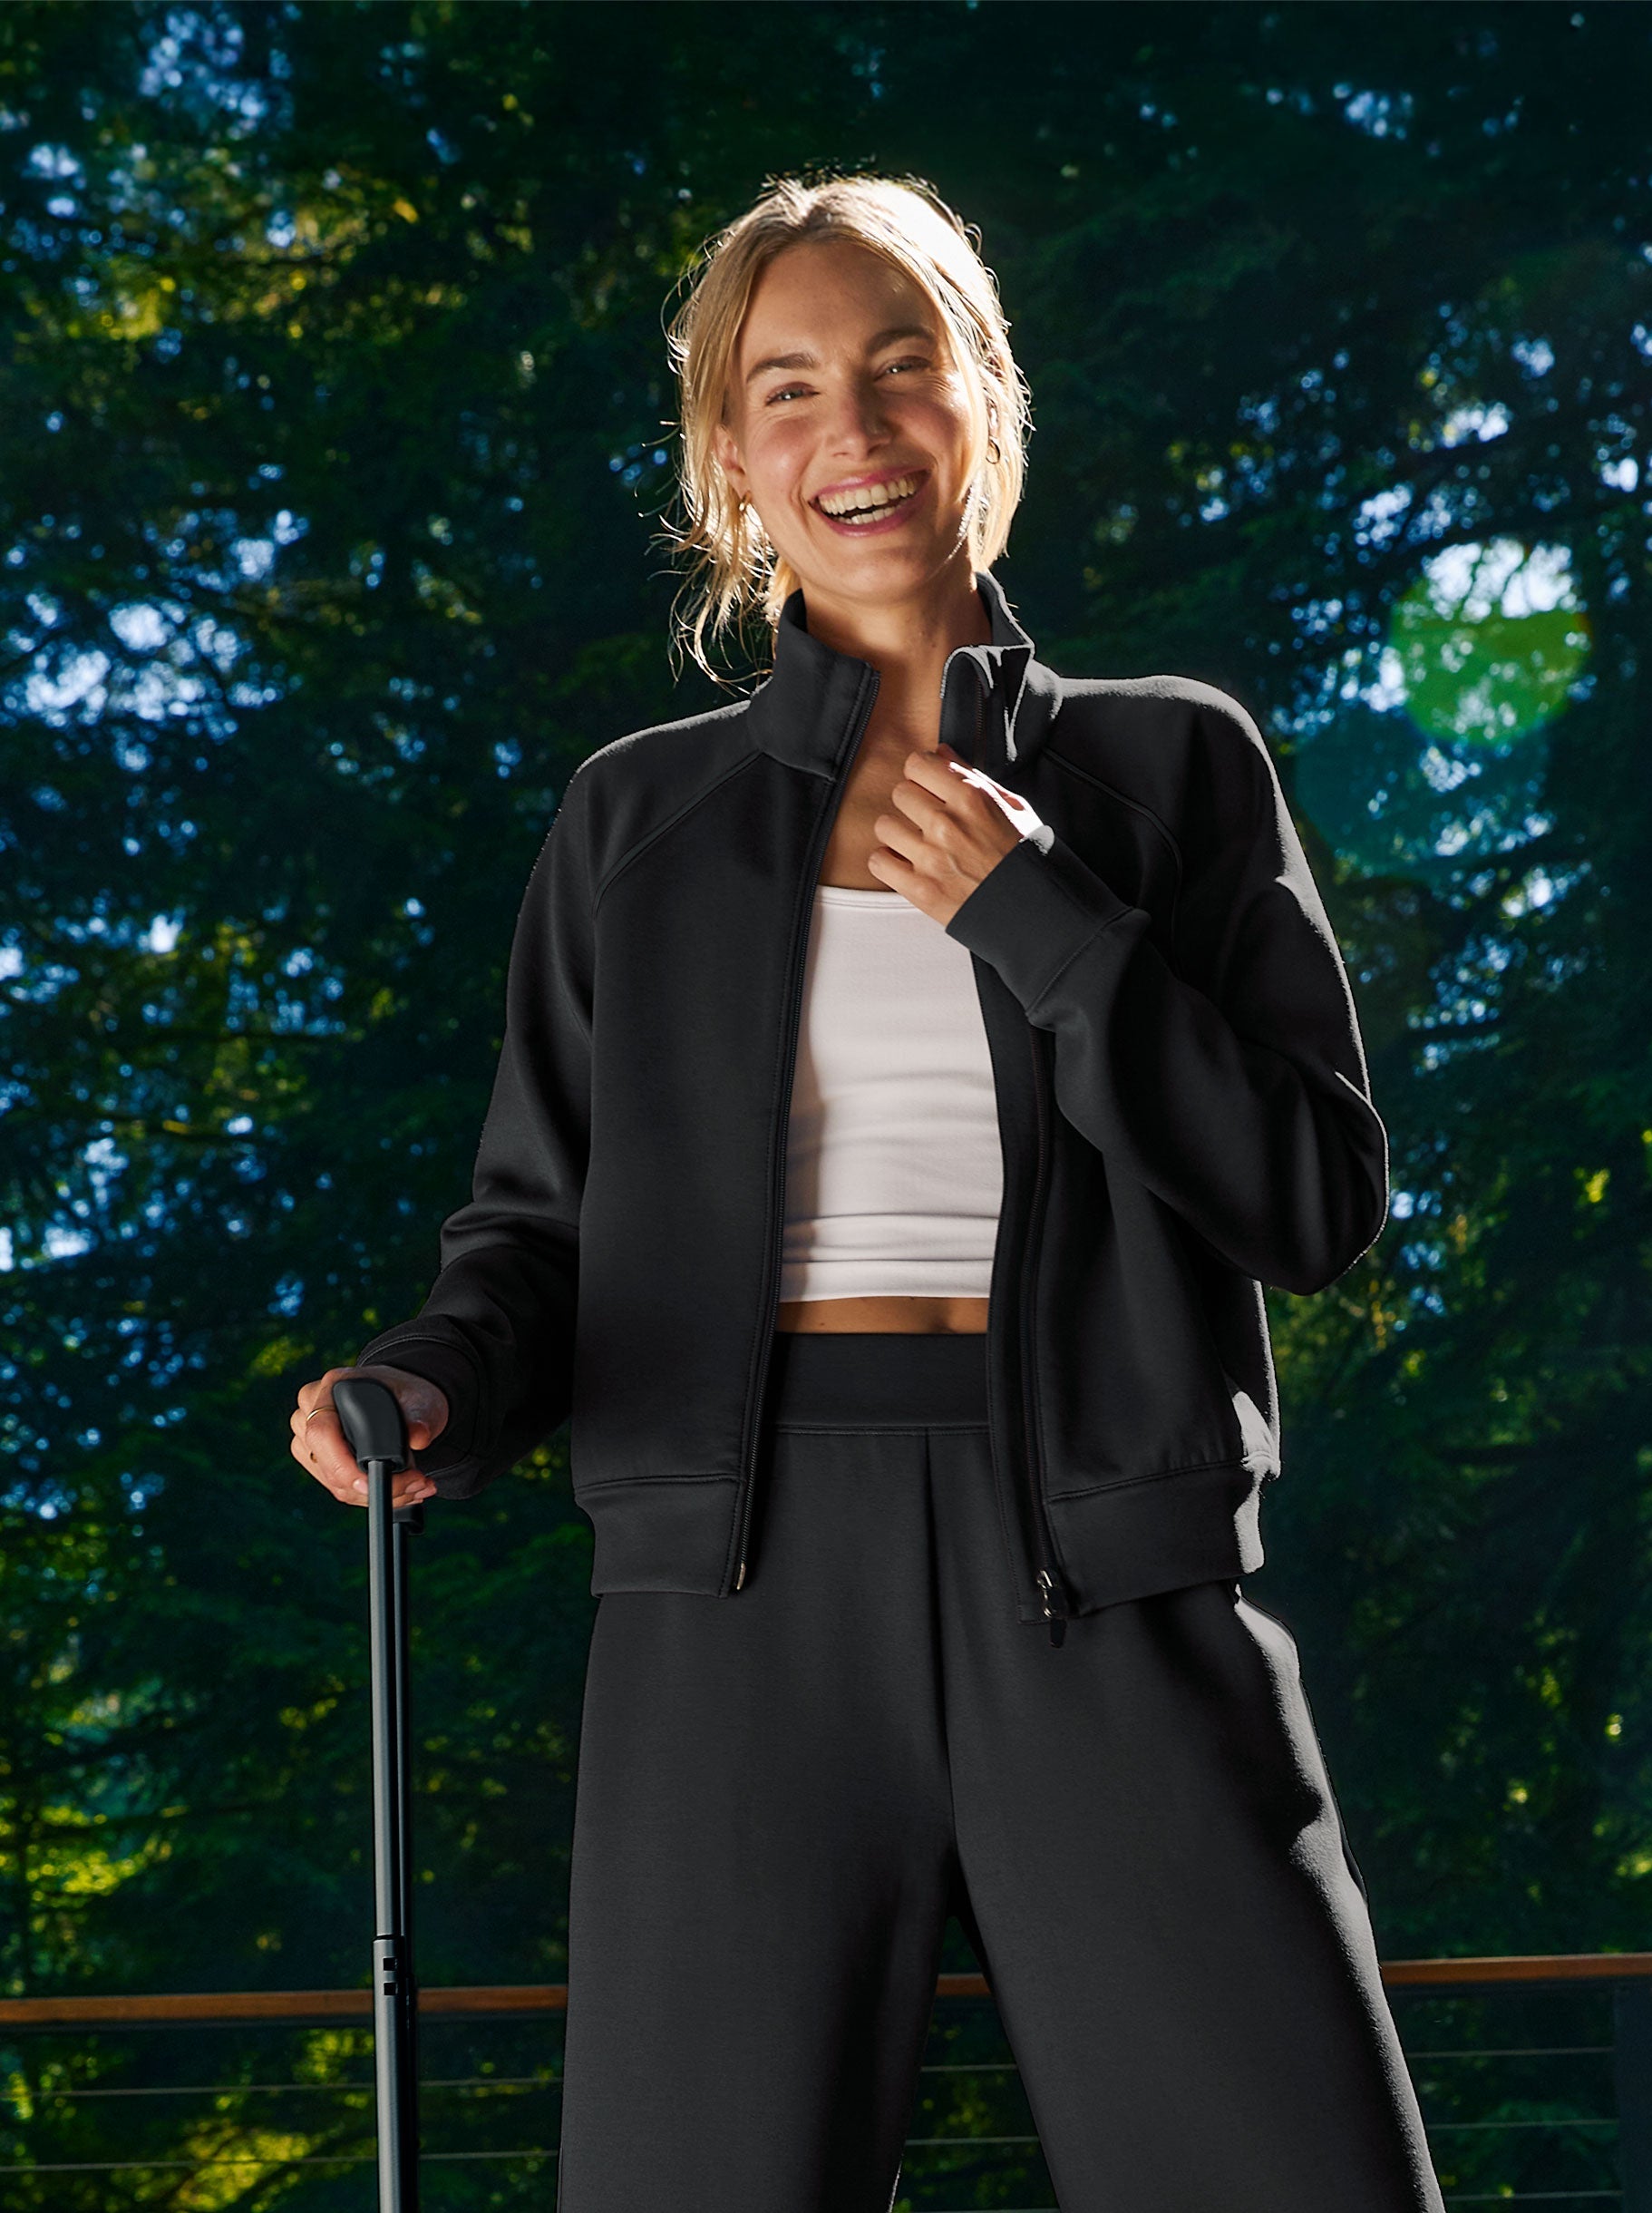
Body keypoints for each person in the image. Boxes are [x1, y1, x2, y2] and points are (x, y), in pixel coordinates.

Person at [290, 171, 1444, 2213]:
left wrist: (1046, 918)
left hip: (1108, 1569)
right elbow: (535, 1236)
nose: (855, 429)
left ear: (977, 402)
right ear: (734, 463)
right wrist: (433, 1381)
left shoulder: (1172, 771)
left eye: (901, 368)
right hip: (728, 1616)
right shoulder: (636, 822)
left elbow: (1316, 1199)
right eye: (792, 386)